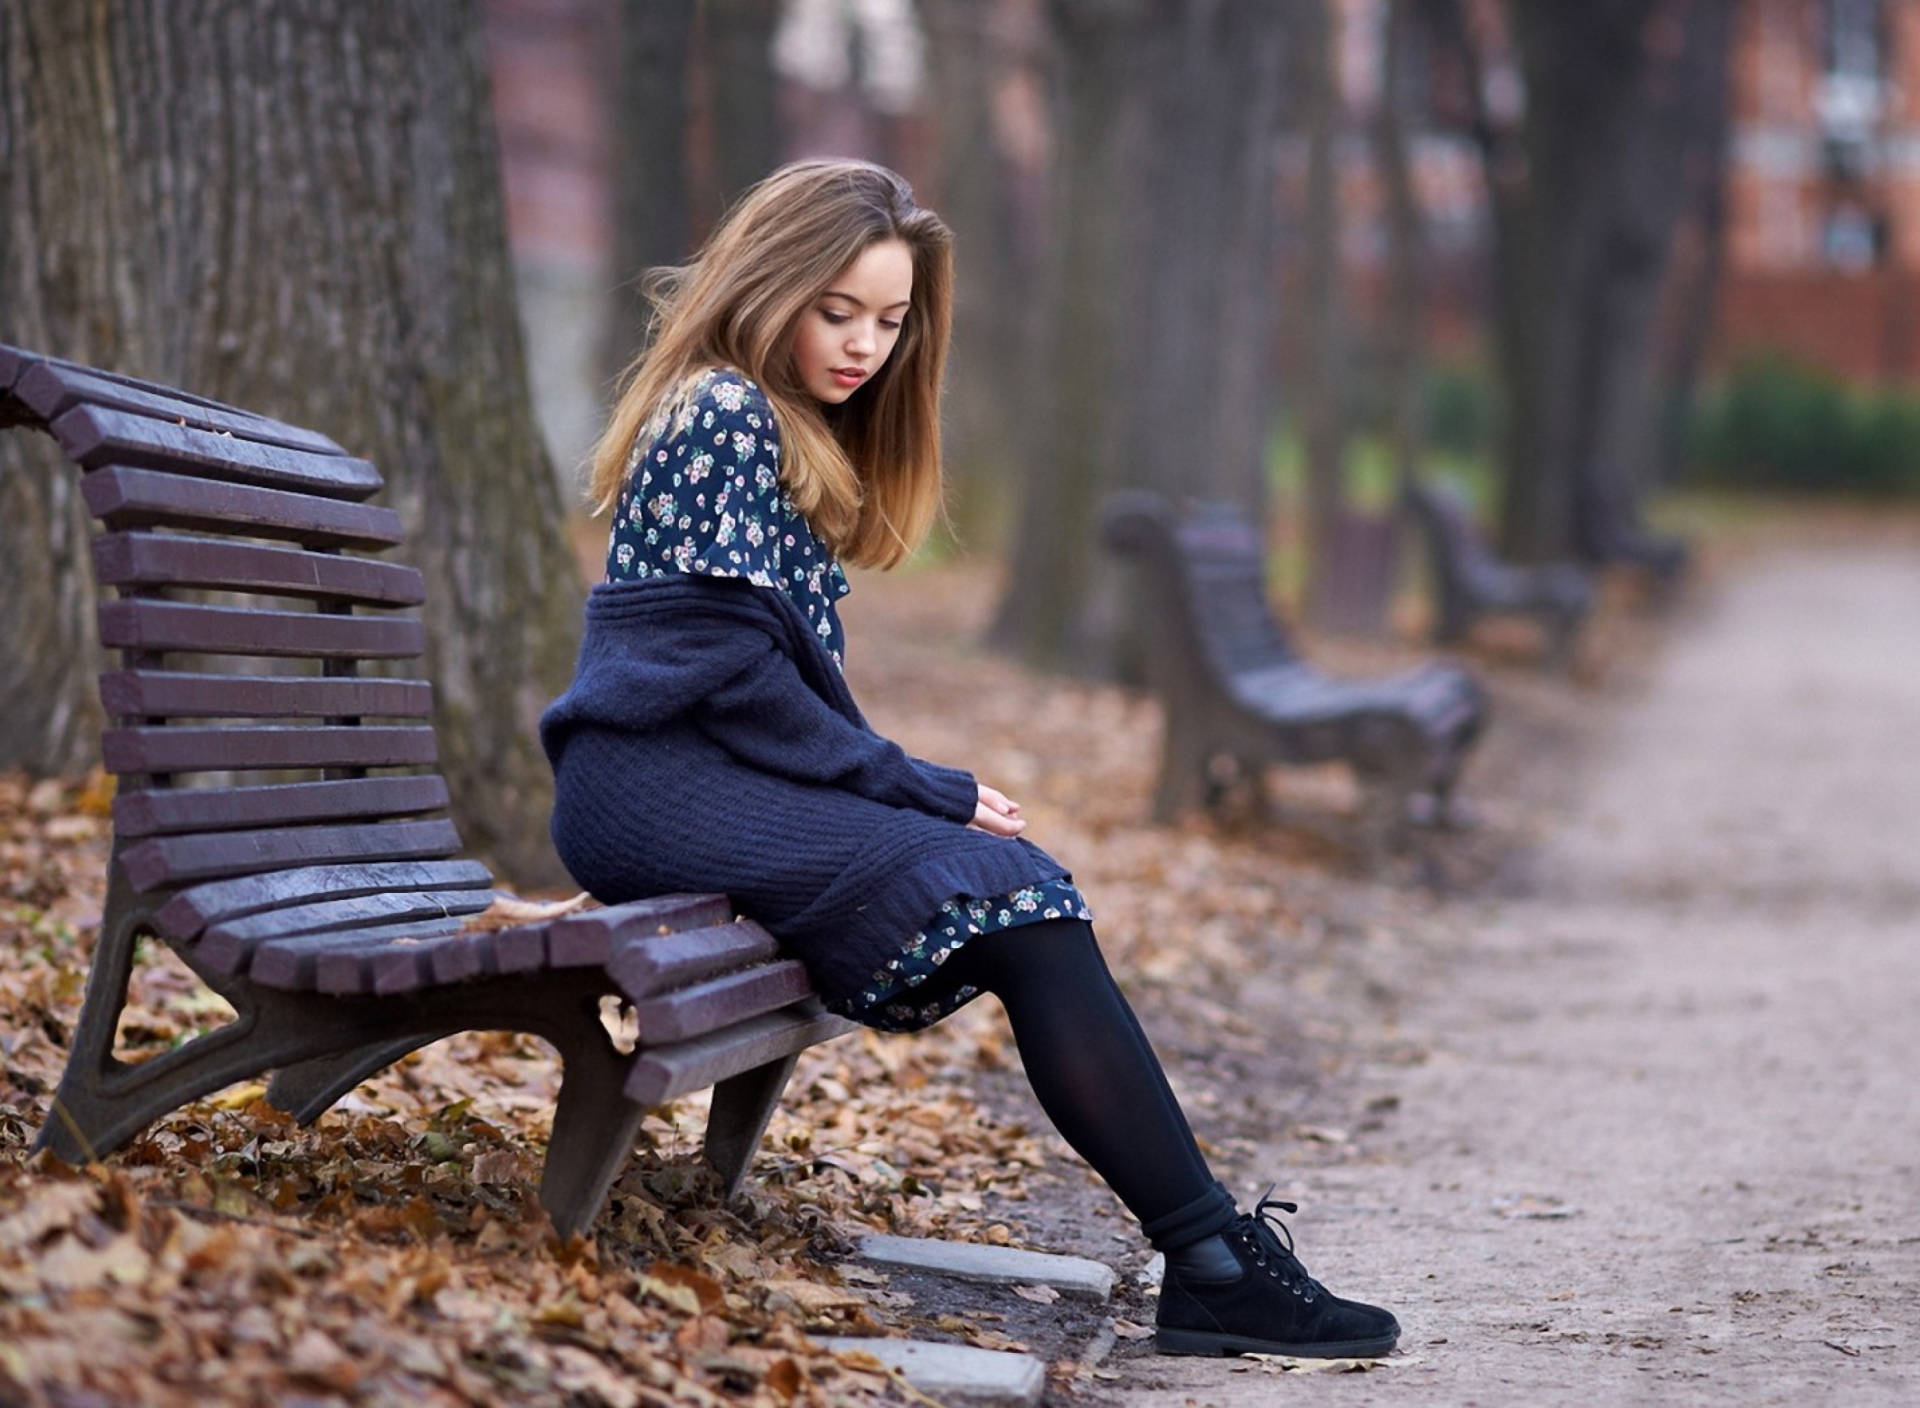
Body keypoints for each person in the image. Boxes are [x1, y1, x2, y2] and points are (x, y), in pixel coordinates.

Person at [539, 158, 1399, 1361]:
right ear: (765, 283)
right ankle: (1212, 1262)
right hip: (655, 783)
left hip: (704, 775)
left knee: (1022, 891)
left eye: (890, 321)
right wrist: (910, 781)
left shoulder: (774, 426)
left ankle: (1208, 1258)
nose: (863, 346)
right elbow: (732, 680)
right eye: (835, 310)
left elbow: (758, 687)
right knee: (1011, 894)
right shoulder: (721, 410)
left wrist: (899, 784)